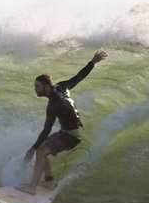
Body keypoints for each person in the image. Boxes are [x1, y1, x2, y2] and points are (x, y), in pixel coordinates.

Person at [20, 50, 108, 193]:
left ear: (47, 87)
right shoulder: (61, 87)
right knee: (42, 148)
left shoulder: (54, 104)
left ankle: (32, 187)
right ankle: (49, 182)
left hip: (70, 137)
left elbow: (46, 130)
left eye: (37, 86)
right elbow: (79, 77)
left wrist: (32, 149)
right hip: (69, 132)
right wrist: (93, 62)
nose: (35, 89)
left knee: (40, 152)